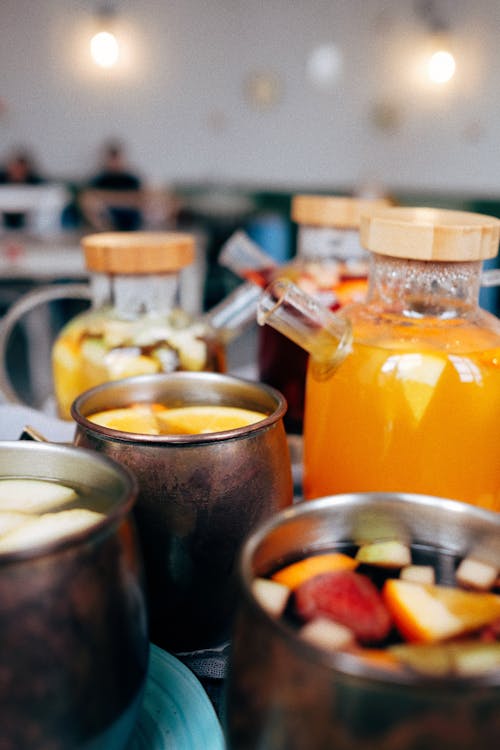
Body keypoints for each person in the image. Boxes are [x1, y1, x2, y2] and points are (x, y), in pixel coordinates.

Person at [83, 140, 143, 230]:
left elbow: (139, 199)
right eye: (112, 159)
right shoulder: (99, 178)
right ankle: (106, 231)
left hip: (130, 215)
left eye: (117, 159)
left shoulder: (131, 179)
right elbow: (89, 197)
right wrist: (122, 199)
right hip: (108, 215)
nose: (114, 162)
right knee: (89, 203)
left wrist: (108, 198)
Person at [0, 147, 45, 229]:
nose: (18, 171)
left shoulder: (35, 181)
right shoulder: (2, 179)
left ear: (26, 168)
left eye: (21, 168)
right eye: (15, 167)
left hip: (27, 220)